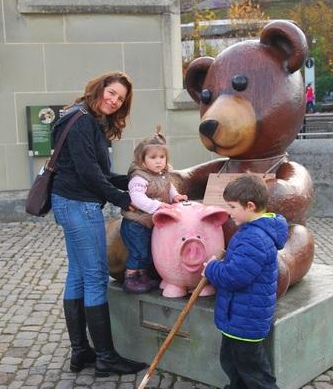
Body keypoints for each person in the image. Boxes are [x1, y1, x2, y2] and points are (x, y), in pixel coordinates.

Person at [50, 71, 147, 377]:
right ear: (100, 87)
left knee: (78, 275)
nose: (114, 101)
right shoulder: (81, 121)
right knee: (94, 277)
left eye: (120, 99)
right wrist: (122, 198)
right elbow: (89, 174)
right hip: (79, 206)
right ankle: (105, 357)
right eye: (112, 93)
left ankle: (81, 353)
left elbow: (98, 173)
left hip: (71, 202)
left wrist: (137, 178)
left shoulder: (81, 117)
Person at [202, 174, 287, 389]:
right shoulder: (251, 231)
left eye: (232, 207)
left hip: (245, 320)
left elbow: (234, 277)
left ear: (250, 206)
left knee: (255, 372)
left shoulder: (254, 238)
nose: (229, 213)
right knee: (233, 363)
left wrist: (211, 268)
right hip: (237, 317)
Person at [120, 126, 188, 293]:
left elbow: (168, 187)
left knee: (149, 251)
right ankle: (130, 277)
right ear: (143, 161)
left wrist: (175, 196)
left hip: (150, 223)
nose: (159, 161)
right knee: (139, 252)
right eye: (153, 157)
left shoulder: (162, 175)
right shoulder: (139, 177)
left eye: (162, 157)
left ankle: (143, 277)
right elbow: (137, 198)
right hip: (136, 223)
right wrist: (157, 205)